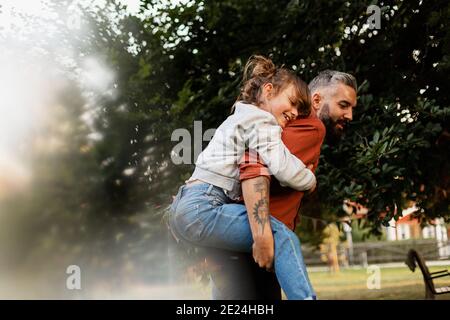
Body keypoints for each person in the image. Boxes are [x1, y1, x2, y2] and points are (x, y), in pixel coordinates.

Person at [168, 55, 318, 299]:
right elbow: (281, 165)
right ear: (268, 91)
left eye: (299, 111)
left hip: (188, 206)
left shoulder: (240, 116)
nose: (293, 112)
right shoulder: (261, 120)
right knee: (281, 237)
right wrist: (309, 179)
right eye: (291, 103)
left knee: (232, 269)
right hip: (204, 206)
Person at [208, 70, 358, 299]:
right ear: (317, 99)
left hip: (240, 243)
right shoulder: (314, 127)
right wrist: (262, 236)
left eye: (352, 108)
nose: (349, 115)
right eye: (343, 105)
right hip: (258, 245)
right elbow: (253, 162)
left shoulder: (282, 123)